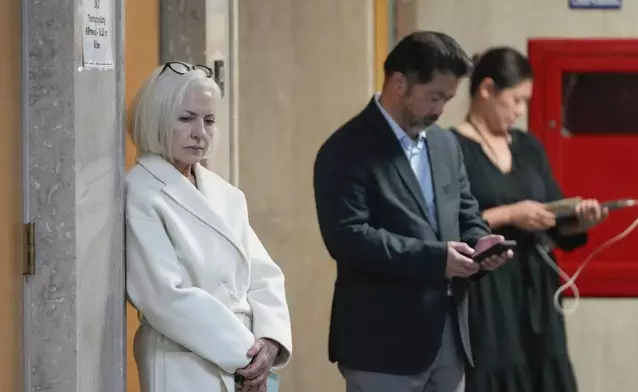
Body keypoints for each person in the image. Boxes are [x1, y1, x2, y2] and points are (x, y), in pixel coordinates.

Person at [313, 31, 513, 392]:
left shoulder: (445, 143)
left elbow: (466, 212)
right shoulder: (345, 149)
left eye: (448, 99)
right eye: (434, 97)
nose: (440, 110)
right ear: (400, 83)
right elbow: (348, 239)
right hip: (381, 346)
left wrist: (482, 244)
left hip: (450, 338)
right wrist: (437, 259)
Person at [126, 61, 292, 392]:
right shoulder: (140, 191)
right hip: (183, 362)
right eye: (186, 118)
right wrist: (246, 355)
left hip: (245, 363)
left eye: (209, 121)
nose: (200, 133)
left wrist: (270, 339)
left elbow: (264, 274)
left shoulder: (225, 193)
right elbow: (164, 297)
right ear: (157, 117)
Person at [450, 47, 607, 392]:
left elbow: (552, 213)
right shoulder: (451, 147)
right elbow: (444, 225)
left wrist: (578, 221)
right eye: (516, 100)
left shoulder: (528, 146)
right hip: (487, 290)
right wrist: (510, 214)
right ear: (487, 89)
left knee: (543, 370)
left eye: (526, 102)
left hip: (535, 286)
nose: (520, 112)